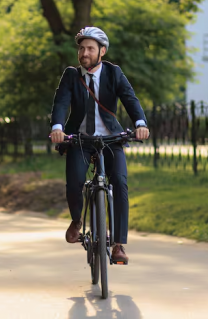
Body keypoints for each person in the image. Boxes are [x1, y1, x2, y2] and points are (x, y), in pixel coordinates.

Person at [49, 26, 150, 264]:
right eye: (81, 48)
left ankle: (118, 244)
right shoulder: (71, 75)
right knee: (74, 181)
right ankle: (77, 220)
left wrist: (140, 123)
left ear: (101, 51)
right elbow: (61, 102)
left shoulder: (114, 73)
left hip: (110, 139)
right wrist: (57, 127)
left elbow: (129, 98)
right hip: (80, 140)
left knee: (120, 183)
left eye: (90, 48)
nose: (84, 53)